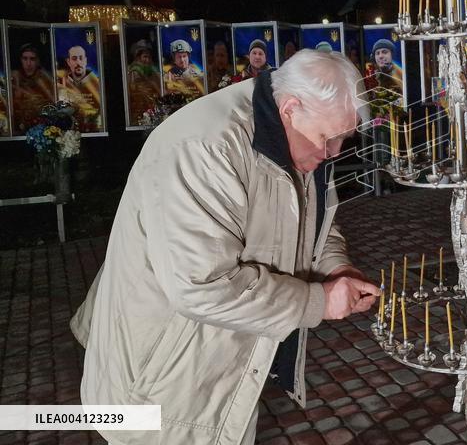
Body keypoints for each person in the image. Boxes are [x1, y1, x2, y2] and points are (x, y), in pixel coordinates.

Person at [70, 50, 379, 445]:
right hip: (162, 382)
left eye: (342, 139)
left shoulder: (295, 134)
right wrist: (318, 302)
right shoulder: (206, 148)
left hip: (220, 364)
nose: (333, 153)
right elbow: (201, 285)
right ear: (290, 108)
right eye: (327, 139)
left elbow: (315, 220)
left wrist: (335, 268)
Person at [9, 43, 55, 135]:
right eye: (25, 59)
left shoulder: (46, 79)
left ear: (38, 61)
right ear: (20, 60)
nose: (28, 63)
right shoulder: (13, 78)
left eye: (32, 59)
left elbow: (53, 104)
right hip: (17, 129)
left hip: (42, 129)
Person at [58, 44, 103, 132]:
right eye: (74, 59)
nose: (78, 62)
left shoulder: (97, 83)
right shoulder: (61, 86)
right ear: (68, 61)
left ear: (85, 61)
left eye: (81, 58)